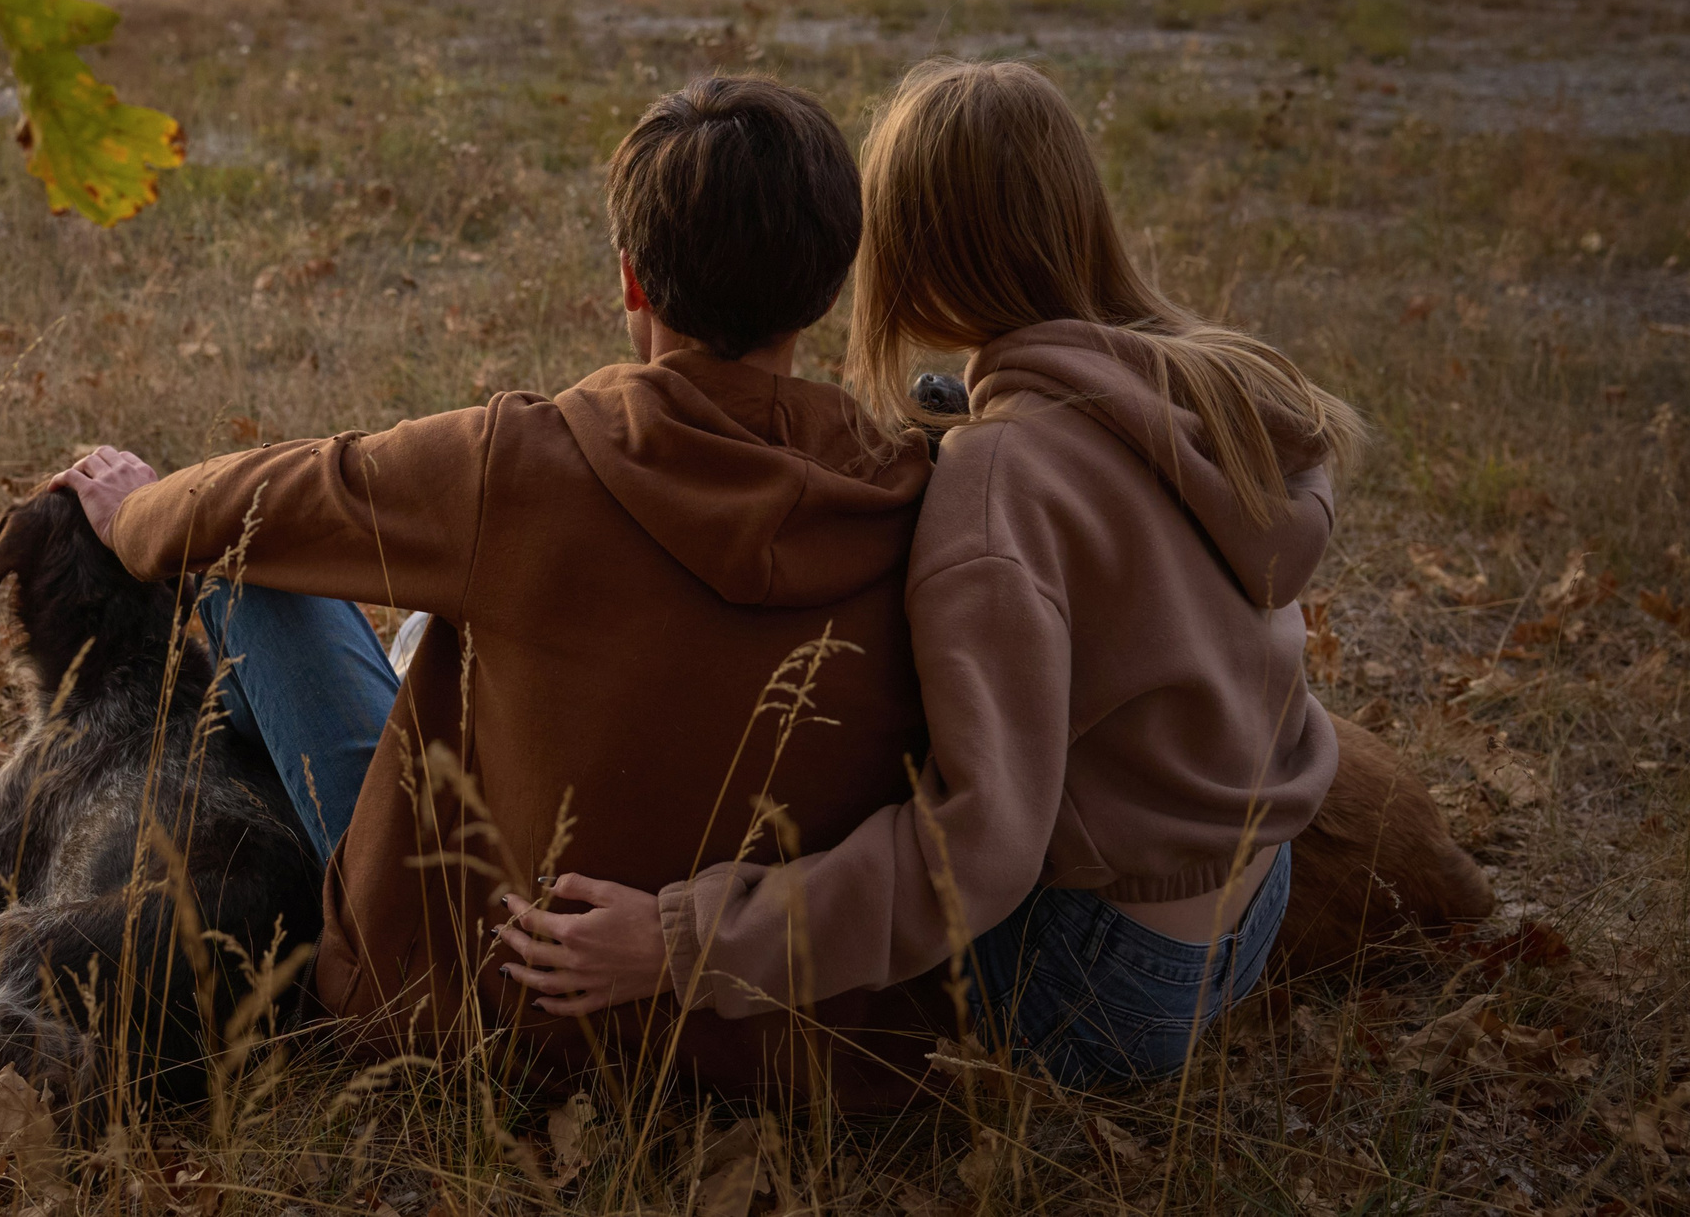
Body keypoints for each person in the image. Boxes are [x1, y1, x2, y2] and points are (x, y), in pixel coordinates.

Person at [53, 76, 946, 1098]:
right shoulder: (913, 491)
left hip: (487, 1015)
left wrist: (135, 512)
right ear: (830, 284)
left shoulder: (523, 461)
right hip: (788, 1054)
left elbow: (252, 505)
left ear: (631, 281)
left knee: (246, 564)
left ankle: (240, 831)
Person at [500, 59, 1363, 1089]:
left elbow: (982, 848)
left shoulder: (997, 480)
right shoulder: (1211, 386)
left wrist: (684, 943)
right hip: (1252, 903)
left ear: (906, 251)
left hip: (1104, 987)